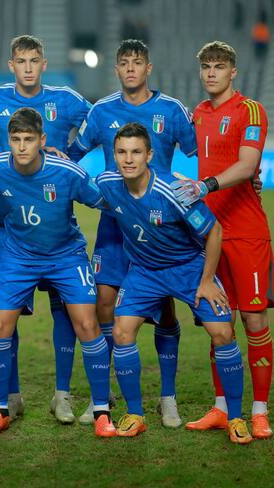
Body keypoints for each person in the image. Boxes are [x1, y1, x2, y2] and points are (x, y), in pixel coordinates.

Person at [0, 107, 115, 438]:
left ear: (42, 140)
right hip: (18, 257)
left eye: (29, 139)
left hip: (66, 255)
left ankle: (102, 411)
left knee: (86, 323)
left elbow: (106, 201)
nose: (22, 146)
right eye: (16, 140)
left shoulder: (66, 172)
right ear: (8, 141)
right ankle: (0, 409)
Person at [68, 39, 197, 427]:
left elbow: (199, 154)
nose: (129, 69)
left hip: (161, 228)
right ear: (117, 69)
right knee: (104, 304)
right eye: (123, 63)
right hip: (115, 222)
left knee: (164, 308)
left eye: (136, 63)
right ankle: (104, 397)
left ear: (148, 68)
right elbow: (73, 156)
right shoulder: (102, 110)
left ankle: (168, 397)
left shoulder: (172, 110)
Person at [97, 122, 250, 444]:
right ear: (113, 155)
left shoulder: (172, 192)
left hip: (188, 268)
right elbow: (72, 184)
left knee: (222, 332)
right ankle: (135, 413)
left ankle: (236, 417)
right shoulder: (107, 184)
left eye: (136, 152)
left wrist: (207, 280)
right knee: (122, 331)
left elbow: (214, 232)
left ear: (149, 155)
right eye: (122, 152)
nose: (128, 159)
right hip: (144, 271)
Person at [0, 34, 92, 424]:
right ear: (12, 65)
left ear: (44, 63)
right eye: (20, 60)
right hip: (5, 225)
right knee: (6, 310)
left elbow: (105, 123)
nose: (27, 67)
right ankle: (10, 395)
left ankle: (62, 395)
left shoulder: (67, 100)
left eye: (33, 60)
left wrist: (70, 155)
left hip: (56, 225)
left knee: (65, 309)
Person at [171, 41, 273, 439]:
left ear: (233, 72)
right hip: (210, 232)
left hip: (247, 232)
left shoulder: (250, 110)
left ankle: (260, 411)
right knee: (220, 321)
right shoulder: (198, 113)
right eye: (206, 67)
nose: (212, 72)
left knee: (254, 318)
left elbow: (248, 165)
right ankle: (221, 407)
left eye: (219, 66)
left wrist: (206, 184)